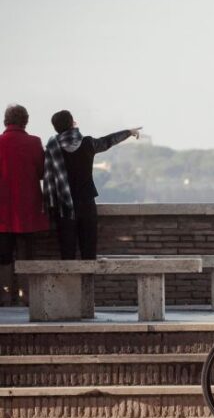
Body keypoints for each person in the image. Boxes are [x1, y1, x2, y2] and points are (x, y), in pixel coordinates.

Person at [43, 110, 141, 260]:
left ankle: (68, 277)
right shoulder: (88, 143)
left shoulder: (52, 147)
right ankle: (88, 276)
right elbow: (107, 141)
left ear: (56, 128)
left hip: (64, 207)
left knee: (67, 255)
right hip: (86, 203)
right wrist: (128, 132)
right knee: (88, 253)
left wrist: (49, 207)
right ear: (72, 123)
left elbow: (48, 178)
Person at [0, 104, 50, 303]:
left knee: (3, 256)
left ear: (6, 120)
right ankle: (26, 297)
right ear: (25, 121)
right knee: (26, 255)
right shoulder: (34, 142)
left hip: (2, 209)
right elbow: (42, 172)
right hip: (27, 207)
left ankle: (4, 297)